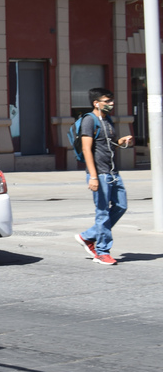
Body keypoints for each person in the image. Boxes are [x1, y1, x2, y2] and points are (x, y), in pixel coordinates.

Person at [75, 87, 134, 266]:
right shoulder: (89, 120)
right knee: (102, 213)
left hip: (113, 172)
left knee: (121, 206)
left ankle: (87, 236)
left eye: (111, 101)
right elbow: (86, 149)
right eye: (107, 101)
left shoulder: (107, 119)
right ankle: (102, 251)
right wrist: (93, 176)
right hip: (99, 174)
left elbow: (107, 144)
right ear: (96, 103)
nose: (111, 104)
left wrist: (121, 142)